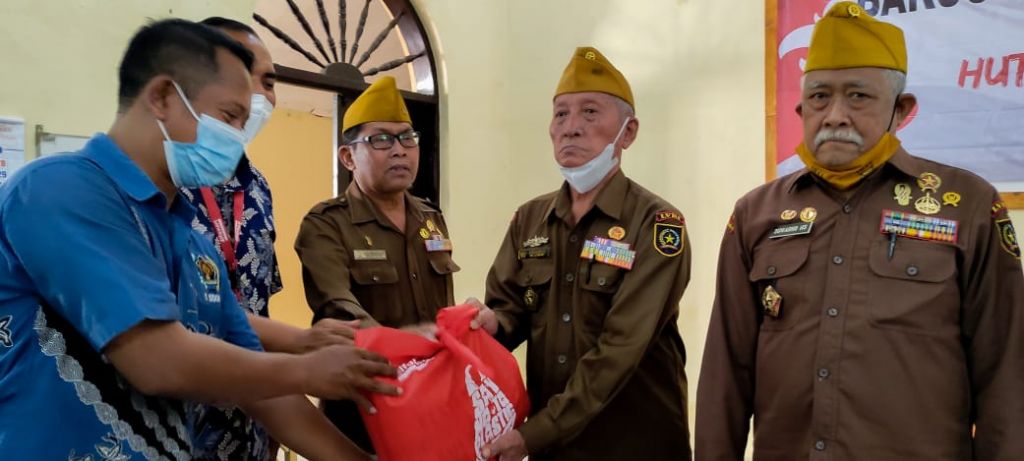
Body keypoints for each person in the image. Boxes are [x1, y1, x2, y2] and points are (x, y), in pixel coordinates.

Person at [0, 19, 398, 460]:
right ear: (162, 97)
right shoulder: (59, 190)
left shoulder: (195, 248)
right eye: (228, 118)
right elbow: (156, 359)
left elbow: (262, 389)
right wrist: (306, 369)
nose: (236, 139)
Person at [695, 3, 1024, 459]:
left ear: (901, 110)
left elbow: (1005, 371)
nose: (834, 115)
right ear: (801, 108)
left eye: (858, 96)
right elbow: (725, 373)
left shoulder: (967, 206)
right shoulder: (756, 214)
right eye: (819, 97)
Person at [474, 46, 692, 461]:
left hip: (635, 445)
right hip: (555, 449)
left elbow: (620, 348)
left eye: (590, 112)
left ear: (628, 132)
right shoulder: (529, 219)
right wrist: (492, 324)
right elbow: (510, 310)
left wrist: (535, 434)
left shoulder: (657, 224)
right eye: (561, 114)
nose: (571, 127)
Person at [295, 75, 460, 452]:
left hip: (430, 402)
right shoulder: (326, 224)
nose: (400, 150)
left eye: (407, 138)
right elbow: (338, 307)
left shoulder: (430, 218)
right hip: (363, 407)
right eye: (381, 139)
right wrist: (403, 342)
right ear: (348, 157)